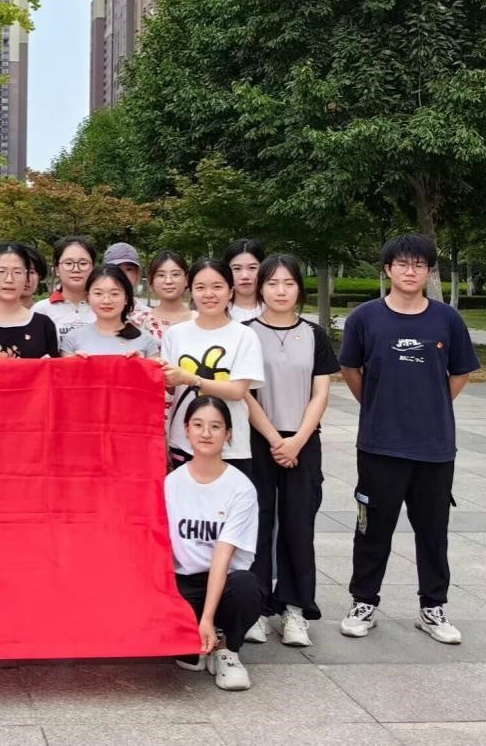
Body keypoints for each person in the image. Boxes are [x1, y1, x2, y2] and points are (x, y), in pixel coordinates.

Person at [338, 233, 479, 645]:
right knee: (372, 529)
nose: (410, 271)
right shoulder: (365, 318)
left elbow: (459, 373)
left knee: (433, 531)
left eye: (419, 264)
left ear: (429, 271)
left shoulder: (447, 319)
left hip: (434, 447)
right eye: (402, 263)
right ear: (388, 269)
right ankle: (363, 602)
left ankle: (432, 607)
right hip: (380, 444)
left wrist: (430, 404)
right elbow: (351, 370)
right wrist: (379, 404)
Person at [241, 254, 339, 648]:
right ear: (260, 287)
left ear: (300, 288)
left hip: (303, 440)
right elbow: (244, 393)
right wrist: (273, 438)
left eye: (289, 283)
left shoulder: (314, 334)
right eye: (272, 283)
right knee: (257, 523)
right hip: (257, 439)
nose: (280, 291)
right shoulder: (245, 333)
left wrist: (297, 439)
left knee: (299, 523)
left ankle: (295, 609)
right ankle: (256, 608)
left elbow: (321, 392)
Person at [166, 395, 266, 692]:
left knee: (248, 587)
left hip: (225, 581)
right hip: (185, 582)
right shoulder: (172, 483)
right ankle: (195, 640)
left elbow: (222, 557)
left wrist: (207, 618)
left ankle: (227, 648)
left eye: (215, 426)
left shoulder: (240, 488)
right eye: (198, 425)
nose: (206, 433)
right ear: (186, 430)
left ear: (229, 434)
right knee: (187, 658)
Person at [160, 258, 265, 477]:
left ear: (231, 291)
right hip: (184, 442)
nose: (209, 294)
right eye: (200, 287)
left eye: (217, 286)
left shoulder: (245, 336)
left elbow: (237, 391)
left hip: (230, 447)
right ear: (191, 292)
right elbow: (168, 387)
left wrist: (192, 379)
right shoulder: (175, 335)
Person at [61, 265, 159, 358]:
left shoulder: (146, 340)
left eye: (114, 294)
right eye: (98, 293)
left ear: (126, 298)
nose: (106, 301)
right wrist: (75, 363)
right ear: (88, 297)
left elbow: (155, 370)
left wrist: (140, 363)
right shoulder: (72, 339)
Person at [32, 236, 96, 341]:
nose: (76, 269)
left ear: (93, 268)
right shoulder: (41, 310)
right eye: (68, 263)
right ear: (57, 269)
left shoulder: (104, 307)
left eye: (83, 263)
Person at [131, 251, 194, 342]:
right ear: (151, 282)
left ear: (186, 279)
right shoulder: (138, 322)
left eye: (175, 274)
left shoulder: (200, 320)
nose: (168, 281)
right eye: (161, 275)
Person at [224, 239, 266, 323]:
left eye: (252, 268)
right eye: (237, 268)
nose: (245, 276)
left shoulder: (275, 309)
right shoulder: (217, 311)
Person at [20, 245, 48, 310]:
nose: (26, 279)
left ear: (39, 277)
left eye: (31, 272)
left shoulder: (46, 313)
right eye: (18, 271)